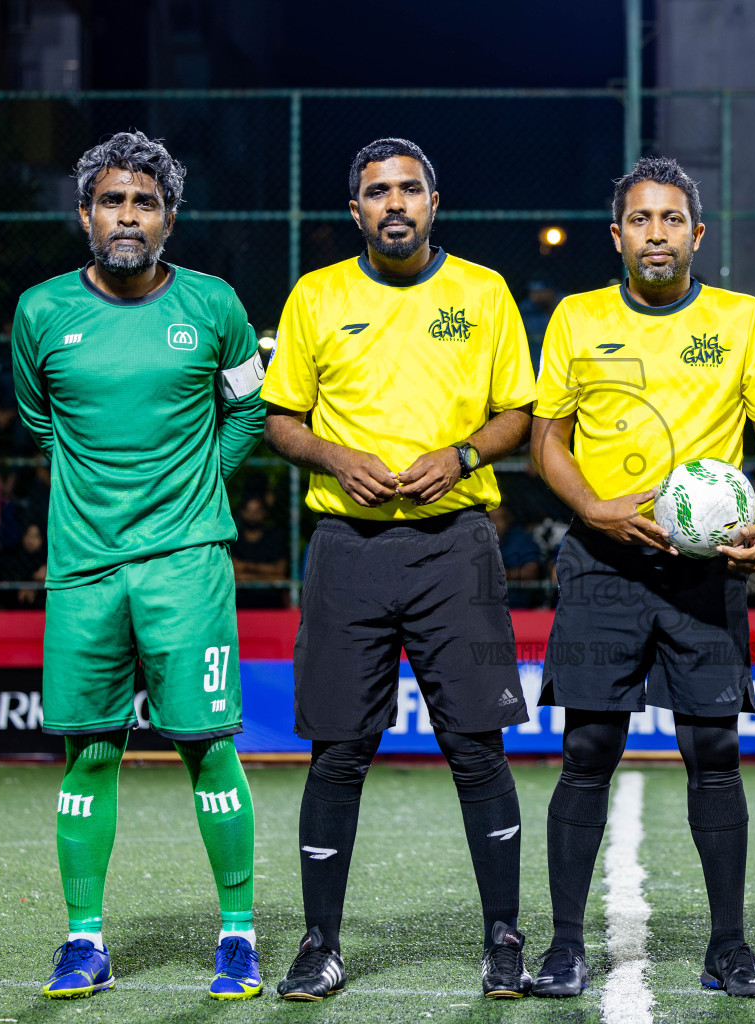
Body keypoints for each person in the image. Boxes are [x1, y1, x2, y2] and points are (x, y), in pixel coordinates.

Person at [262, 137, 537, 1001]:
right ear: (356, 210)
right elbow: (281, 421)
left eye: (408, 190)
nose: (394, 204)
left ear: (433, 202)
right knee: (339, 751)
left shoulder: (483, 292)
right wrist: (336, 457)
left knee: (476, 748)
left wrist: (459, 454)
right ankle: (319, 945)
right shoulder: (317, 295)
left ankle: (503, 939)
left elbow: (517, 414)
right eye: (377, 191)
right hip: (348, 552)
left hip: (457, 549)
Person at [529, 156, 755, 999]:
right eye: (641, 220)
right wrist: (594, 508)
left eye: (672, 219)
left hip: (702, 574)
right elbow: (546, 440)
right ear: (617, 235)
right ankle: (566, 946)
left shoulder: (742, 318)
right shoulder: (576, 318)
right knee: (588, 748)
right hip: (602, 562)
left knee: (713, 750)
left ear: (696, 234)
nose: (656, 233)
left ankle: (729, 948)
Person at [11, 130, 268, 1001]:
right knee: (90, 754)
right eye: (114, 201)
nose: (129, 216)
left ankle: (238, 934)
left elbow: (245, 416)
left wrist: (193, 497)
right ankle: (85, 940)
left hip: (186, 567)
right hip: (85, 571)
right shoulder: (41, 313)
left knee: (207, 750)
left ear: (169, 218)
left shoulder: (217, 305)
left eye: (146, 203)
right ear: (85, 214)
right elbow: (40, 422)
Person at [230, 494, 288, 608]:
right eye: (249, 510)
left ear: (264, 513)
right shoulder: (233, 539)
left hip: (272, 606)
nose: (253, 515)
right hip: (240, 606)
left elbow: (280, 571)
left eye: (257, 511)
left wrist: (245, 569)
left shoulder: (275, 538)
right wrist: (267, 574)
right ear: (242, 512)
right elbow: (232, 572)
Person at [489, 504, 545, 609]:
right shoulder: (477, 542)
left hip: (519, 607)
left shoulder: (521, 538)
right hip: (487, 608)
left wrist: (507, 574)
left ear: (508, 519)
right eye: (492, 519)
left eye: (500, 518)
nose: (497, 524)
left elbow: (532, 571)